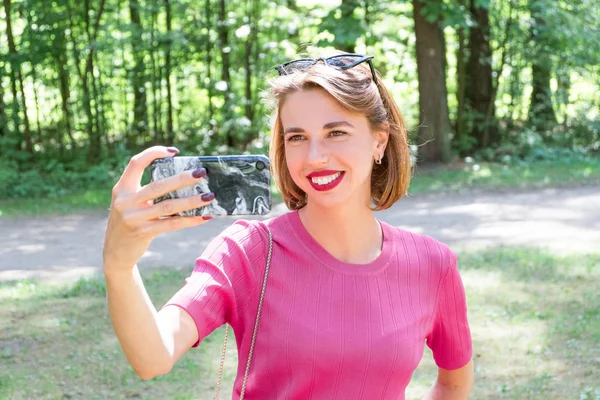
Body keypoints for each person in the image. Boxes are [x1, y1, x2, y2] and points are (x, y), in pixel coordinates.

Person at [103, 51, 474, 399]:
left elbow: (454, 383)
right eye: (297, 137)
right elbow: (154, 357)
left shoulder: (432, 264)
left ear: (379, 141)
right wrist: (119, 266)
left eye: (336, 132)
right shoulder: (246, 251)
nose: (315, 157)